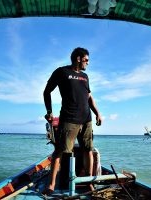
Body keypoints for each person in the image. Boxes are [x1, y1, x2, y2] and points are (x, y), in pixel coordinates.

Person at [43, 47, 102, 194]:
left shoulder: (85, 76)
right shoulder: (62, 72)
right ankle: (51, 184)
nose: (87, 63)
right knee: (60, 151)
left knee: (88, 150)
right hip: (69, 120)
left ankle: (89, 183)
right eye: (86, 60)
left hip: (86, 119)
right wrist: (49, 112)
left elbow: (89, 97)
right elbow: (47, 91)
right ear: (78, 58)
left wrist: (97, 114)